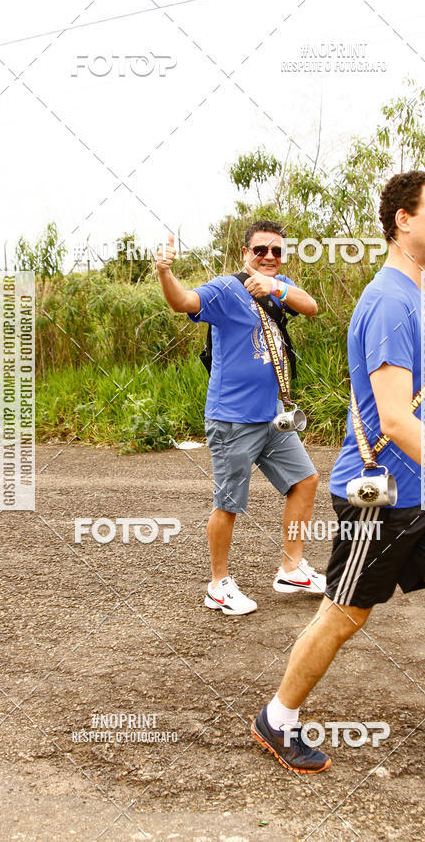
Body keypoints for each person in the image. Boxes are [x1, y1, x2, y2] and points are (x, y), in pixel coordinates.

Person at [251, 172, 425, 791]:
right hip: (381, 497)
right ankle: (276, 718)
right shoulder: (389, 301)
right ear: (403, 219)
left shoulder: (416, 298)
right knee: (344, 617)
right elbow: (396, 419)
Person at [156, 219, 326, 615]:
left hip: (272, 417)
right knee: (229, 503)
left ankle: (291, 567)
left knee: (306, 481)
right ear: (244, 254)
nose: (269, 257)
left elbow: (312, 307)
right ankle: (217, 585)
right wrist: (165, 272)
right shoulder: (225, 289)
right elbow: (182, 302)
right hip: (233, 418)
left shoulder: (277, 289)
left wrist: (276, 287)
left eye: (277, 251)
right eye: (260, 250)